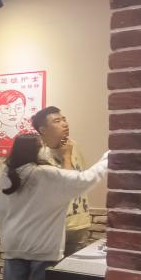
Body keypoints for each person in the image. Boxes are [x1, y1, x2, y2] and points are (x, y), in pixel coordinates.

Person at [0, 133, 108, 280]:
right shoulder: (46, 173)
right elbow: (83, 180)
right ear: (38, 150)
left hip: (14, 243)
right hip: (43, 245)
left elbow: (1, 210)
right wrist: (107, 158)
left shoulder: (7, 174)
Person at [32, 106, 92, 256]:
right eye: (57, 121)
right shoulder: (38, 156)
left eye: (64, 119)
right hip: (53, 227)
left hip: (79, 222)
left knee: (74, 270)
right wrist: (66, 157)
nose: (64, 124)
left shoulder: (73, 145)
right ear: (43, 130)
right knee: (51, 270)